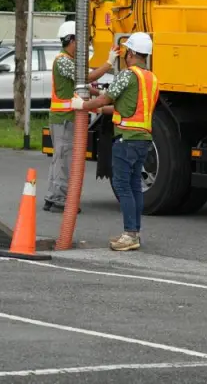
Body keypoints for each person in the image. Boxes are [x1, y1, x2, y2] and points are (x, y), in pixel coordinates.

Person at [71, 32, 159, 251]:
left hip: (126, 139)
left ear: (130, 53)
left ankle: (129, 235)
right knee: (134, 187)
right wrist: (101, 108)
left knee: (122, 186)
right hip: (143, 139)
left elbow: (106, 97)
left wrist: (83, 105)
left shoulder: (128, 75)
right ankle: (134, 232)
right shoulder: (151, 78)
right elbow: (127, 107)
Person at [43, 20, 118, 213]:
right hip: (64, 118)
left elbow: (83, 86)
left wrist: (100, 96)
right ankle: (59, 199)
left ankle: (53, 197)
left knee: (60, 158)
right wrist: (109, 62)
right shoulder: (63, 61)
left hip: (65, 118)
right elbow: (87, 78)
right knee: (65, 158)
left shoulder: (67, 61)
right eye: (81, 40)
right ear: (72, 40)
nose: (84, 45)